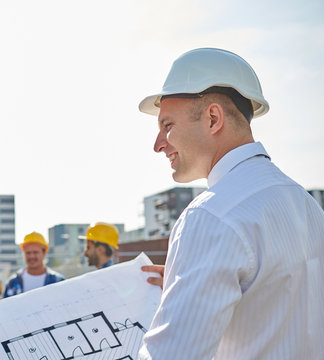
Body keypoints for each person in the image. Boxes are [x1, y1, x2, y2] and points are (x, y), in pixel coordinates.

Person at [136, 48, 324, 359]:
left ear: (212, 118)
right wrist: (190, 284)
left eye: (167, 126)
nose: (158, 145)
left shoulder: (209, 216)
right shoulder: (307, 206)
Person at [2, 232, 65, 298]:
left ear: (44, 253)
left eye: (35, 252)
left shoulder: (58, 281)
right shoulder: (12, 283)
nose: (31, 256)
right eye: (28, 253)